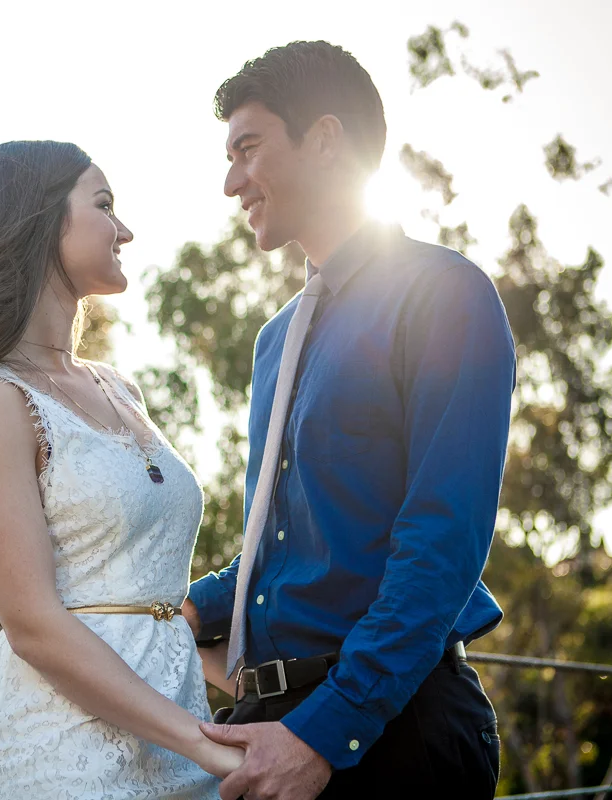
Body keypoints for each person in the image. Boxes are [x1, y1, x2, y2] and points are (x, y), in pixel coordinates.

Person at [183, 41, 515, 799]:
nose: (232, 180)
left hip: (388, 737)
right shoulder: (274, 343)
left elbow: (440, 540)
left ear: (325, 139)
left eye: (248, 148)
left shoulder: (444, 295)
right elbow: (282, 556)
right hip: (267, 727)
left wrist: (329, 733)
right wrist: (149, 608)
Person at [0, 140, 239, 798]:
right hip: (57, 757)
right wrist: (212, 747)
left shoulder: (119, 390)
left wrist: (267, 695)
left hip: (178, 738)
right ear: (39, 220)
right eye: (104, 205)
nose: (125, 230)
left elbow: (147, 596)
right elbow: (34, 627)